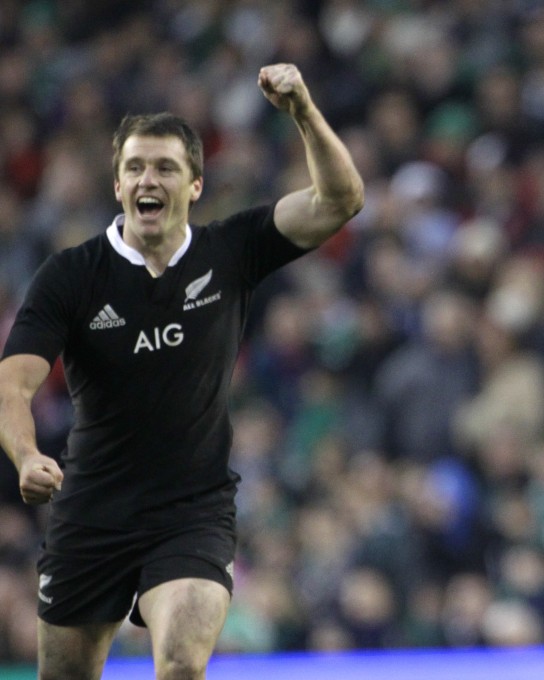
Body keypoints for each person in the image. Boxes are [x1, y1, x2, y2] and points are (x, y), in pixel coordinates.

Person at [0, 63, 364, 679]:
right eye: (135, 168)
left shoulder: (230, 249)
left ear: (195, 184)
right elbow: (13, 383)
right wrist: (25, 454)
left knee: (180, 665)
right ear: (117, 186)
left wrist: (302, 109)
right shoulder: (71, 274)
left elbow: (341, 199)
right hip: (91, 511)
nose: (149, 179)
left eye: (166, 167)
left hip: (192, 511)